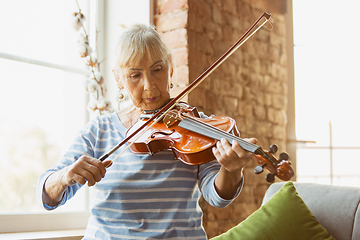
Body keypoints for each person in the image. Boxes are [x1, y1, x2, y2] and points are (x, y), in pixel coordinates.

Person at [37, 24, 257, 239]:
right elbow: (47, 195)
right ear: (118, 79)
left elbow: (217, 198)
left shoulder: (200, 127)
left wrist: (231, 170)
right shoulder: (99, 131)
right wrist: (64, 177)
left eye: (157, 70)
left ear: (170, 67)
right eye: (135, 75)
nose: (150, 86)